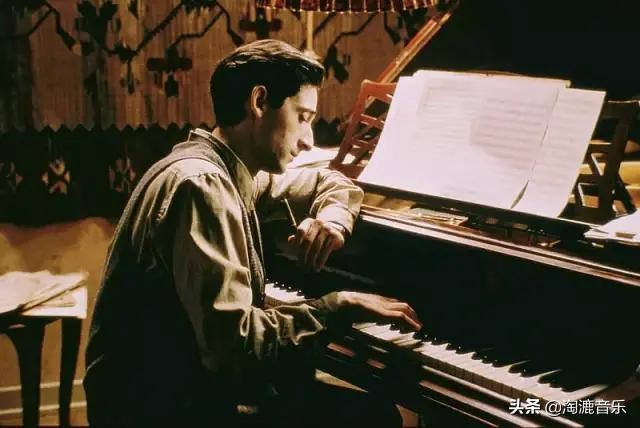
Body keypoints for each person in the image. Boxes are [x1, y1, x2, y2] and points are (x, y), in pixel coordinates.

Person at [84, 39, 421, 426]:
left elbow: (330, 183)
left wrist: (332, 221)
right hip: (159, 409)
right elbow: (236, 350)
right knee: (374, 417)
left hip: (174, 391)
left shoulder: (229, 171)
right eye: (303, 117)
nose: (309, 140)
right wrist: (336, 306)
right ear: (259, 102)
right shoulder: (202, 186)